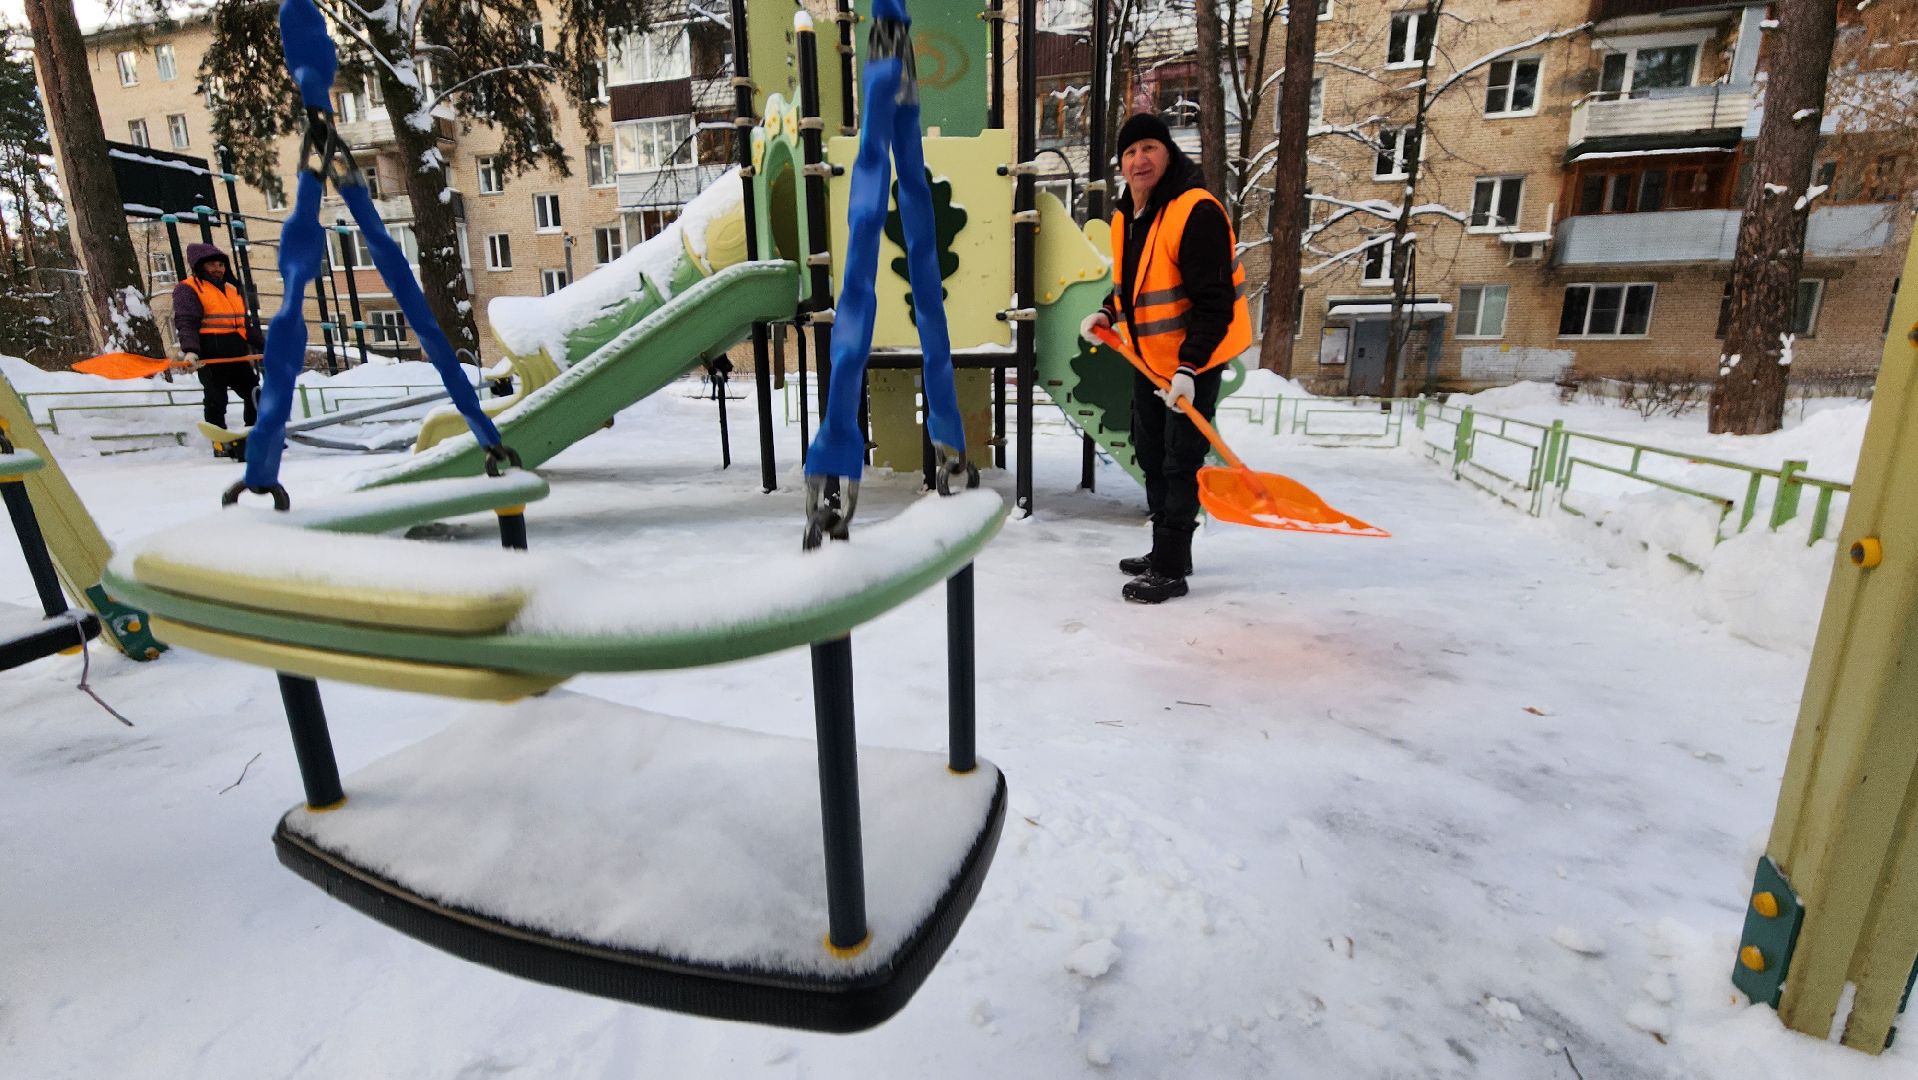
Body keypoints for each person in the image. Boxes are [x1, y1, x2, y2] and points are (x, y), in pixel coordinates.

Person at [1081, 113, 1252, 604]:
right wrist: (1107, 314)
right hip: (1150, 362)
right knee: (1151, 453)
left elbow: (1215, 302)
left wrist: (1190, 369)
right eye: (1131, 152)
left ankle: (1171, 568)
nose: (1140, 160)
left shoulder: (1195, 212)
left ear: (1168, 155)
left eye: (1150, 148)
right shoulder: (1127, 217)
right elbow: (1133, 290)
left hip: (1193, 363)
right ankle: (1167, 550)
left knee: (1181, 461)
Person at [172, 241, 262, 441]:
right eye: (212, 264)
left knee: (254, 392)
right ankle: (219, 440)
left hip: (236, 355)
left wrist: (269, 347)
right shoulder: (189, 289)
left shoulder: (232, 290)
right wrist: (191, 350)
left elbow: (244, 326)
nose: (218, 269)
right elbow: (186, 322)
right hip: (210, 357)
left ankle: (255, 432)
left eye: (221, 265)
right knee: (216, 398)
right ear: (199, 265)